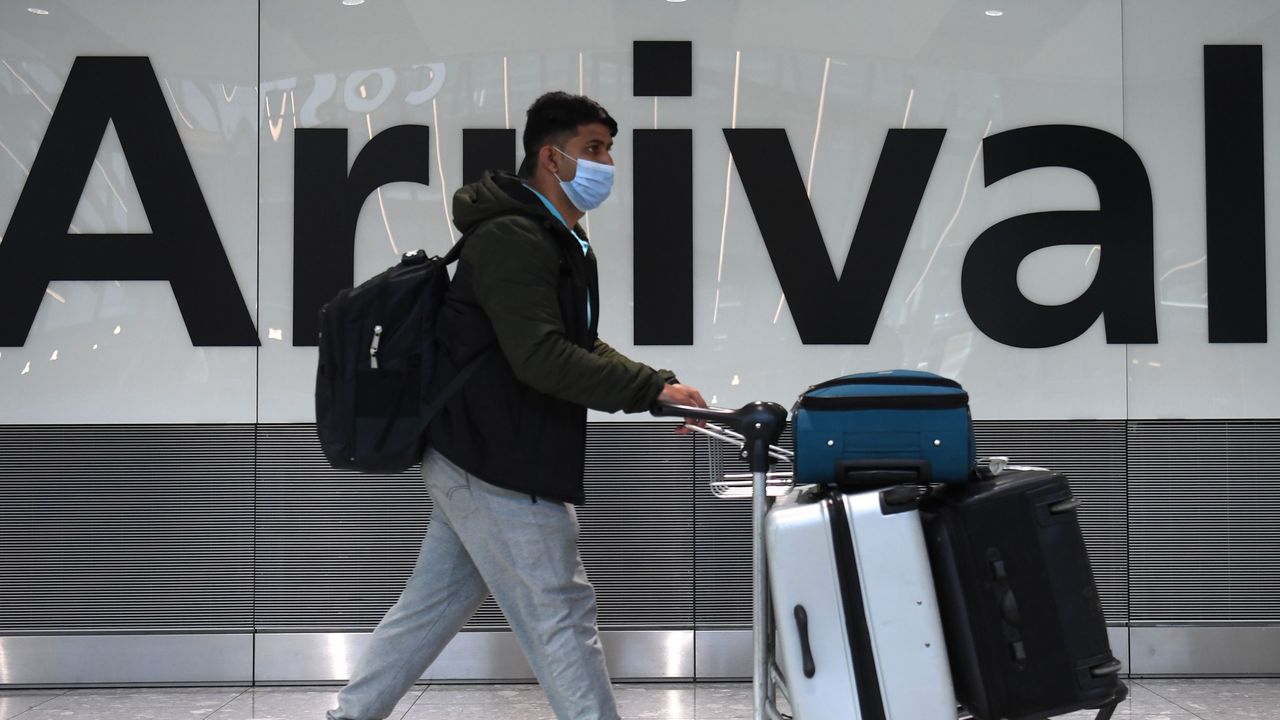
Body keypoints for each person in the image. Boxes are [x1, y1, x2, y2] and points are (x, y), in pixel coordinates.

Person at [326, 91, 707, 720]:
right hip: (496, 457)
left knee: (430, 607)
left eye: (609, 149)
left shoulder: (555, 238)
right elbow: (540, 357)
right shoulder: (513, 237)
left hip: (481, 448)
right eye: (593, 149)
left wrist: (655, 385)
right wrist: (647, 391)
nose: (607, 162)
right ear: (550, 159)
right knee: (560, 611)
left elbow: (572, 341)